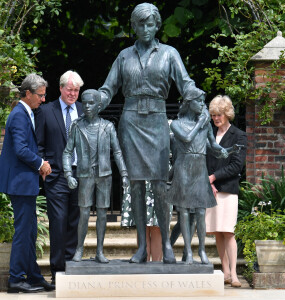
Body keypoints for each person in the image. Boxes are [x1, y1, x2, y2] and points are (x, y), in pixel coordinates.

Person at [98, 3, 207, 264]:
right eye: (140, 24)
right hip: (131, 122)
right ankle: (140, 247)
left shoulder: (170, 54)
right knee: (135, 185)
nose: (145, 29)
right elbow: (108, 88)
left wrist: (200, 102)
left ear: (157, 26)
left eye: (150, 24)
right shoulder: (124, 56)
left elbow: (185, 83)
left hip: (158, 121)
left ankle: (167, 245)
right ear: (133, 26)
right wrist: (94, 104)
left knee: (159, 184)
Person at [0, 74, 55, 293]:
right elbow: (21, 149)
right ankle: (15, 280)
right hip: (20, 183)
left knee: (31, 231)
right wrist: (41, 163)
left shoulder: (25, 112)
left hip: (23, 181)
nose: (43, 99)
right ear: (29, 93)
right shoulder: (20, 115)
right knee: (24, 231)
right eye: (40, 95)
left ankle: (33, 276)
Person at [62, 89, 129, 263]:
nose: (87, 106)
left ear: (99, 106)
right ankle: (79, 248)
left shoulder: (108, 126)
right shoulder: (77, 126)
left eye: (91, 103)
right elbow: (67, 152)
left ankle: (100, 250)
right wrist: (68, 174)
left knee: (102, 213)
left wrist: (124, 174)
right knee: (84, 213)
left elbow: (118, 151)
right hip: (85, 175)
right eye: (84, 103)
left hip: (104, 175)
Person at [35, 70, 83, 284]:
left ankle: (71, 266)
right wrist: (43, 167)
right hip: (56, 176)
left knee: (75, 221)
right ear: (61, 88)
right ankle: (57, 272)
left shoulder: (84, 111)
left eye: (76, 90)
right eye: (70, 89)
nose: (73, 94)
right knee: (58, 222)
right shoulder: (46, 111)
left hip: (80, 175)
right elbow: (38, 144)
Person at [168, 98, 228, 264]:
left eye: (203, 102)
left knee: (201, 211)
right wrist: (201, 122)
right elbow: (187, 138)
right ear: (189, 104)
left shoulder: (205, 125)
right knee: (184, 212)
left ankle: (201, 250)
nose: (203, 105)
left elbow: (212, 145)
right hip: (183, 167)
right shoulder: (177, 124)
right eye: (199, 102)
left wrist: (222, 150)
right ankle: (188, 251)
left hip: (200, 168)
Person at [205, 95, 247, 287]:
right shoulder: (210, 135)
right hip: (212, 190)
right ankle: (225, 272)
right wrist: (209, 182)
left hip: (228, 190)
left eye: (219, 114)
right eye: (213, 114)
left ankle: (235, 274)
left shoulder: (238, 135)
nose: (216, 118)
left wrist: (214, 177)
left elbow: (237, 165)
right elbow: (204, 162)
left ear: (227, 113)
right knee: (217, 232)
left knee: (228, 231)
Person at [121, 182, 172, 262]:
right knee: (142, 225)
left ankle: (156, 265)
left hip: (157, 176)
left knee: (157, 226)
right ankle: (145, 264)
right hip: (139, 176)